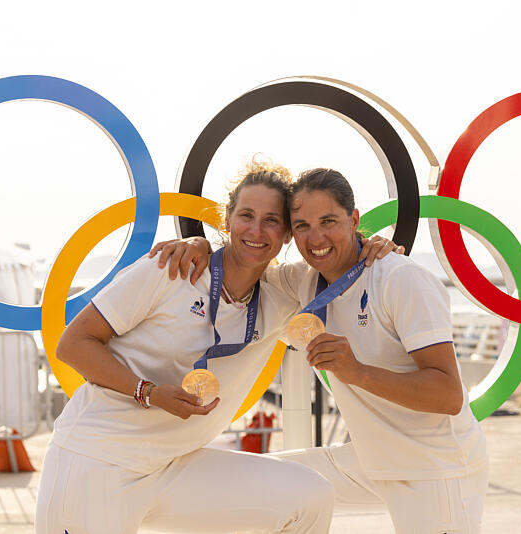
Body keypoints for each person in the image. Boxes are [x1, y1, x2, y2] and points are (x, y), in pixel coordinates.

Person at [154, 168, 489, 534]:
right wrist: (200, 245)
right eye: (301, 226)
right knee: (277, 492)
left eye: (328, 221)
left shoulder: (400, 278)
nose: (316, 238)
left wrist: (358, 372)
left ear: (354, 220)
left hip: (434, 469)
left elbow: (449, 395)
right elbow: (239, 266)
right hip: (370, 459)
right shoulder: (303, 280)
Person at [35, 161, 344, 534]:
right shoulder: (170, 269)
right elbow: (73, 344)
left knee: (309, 497)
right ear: (226, 221)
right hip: (98, 458)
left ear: (286, 237)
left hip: (173, 466)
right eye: (246, 215)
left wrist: (374, 246)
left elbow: (344, 268)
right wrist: (147, 392)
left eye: (271, 220)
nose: (256, 230)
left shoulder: (282, 293)